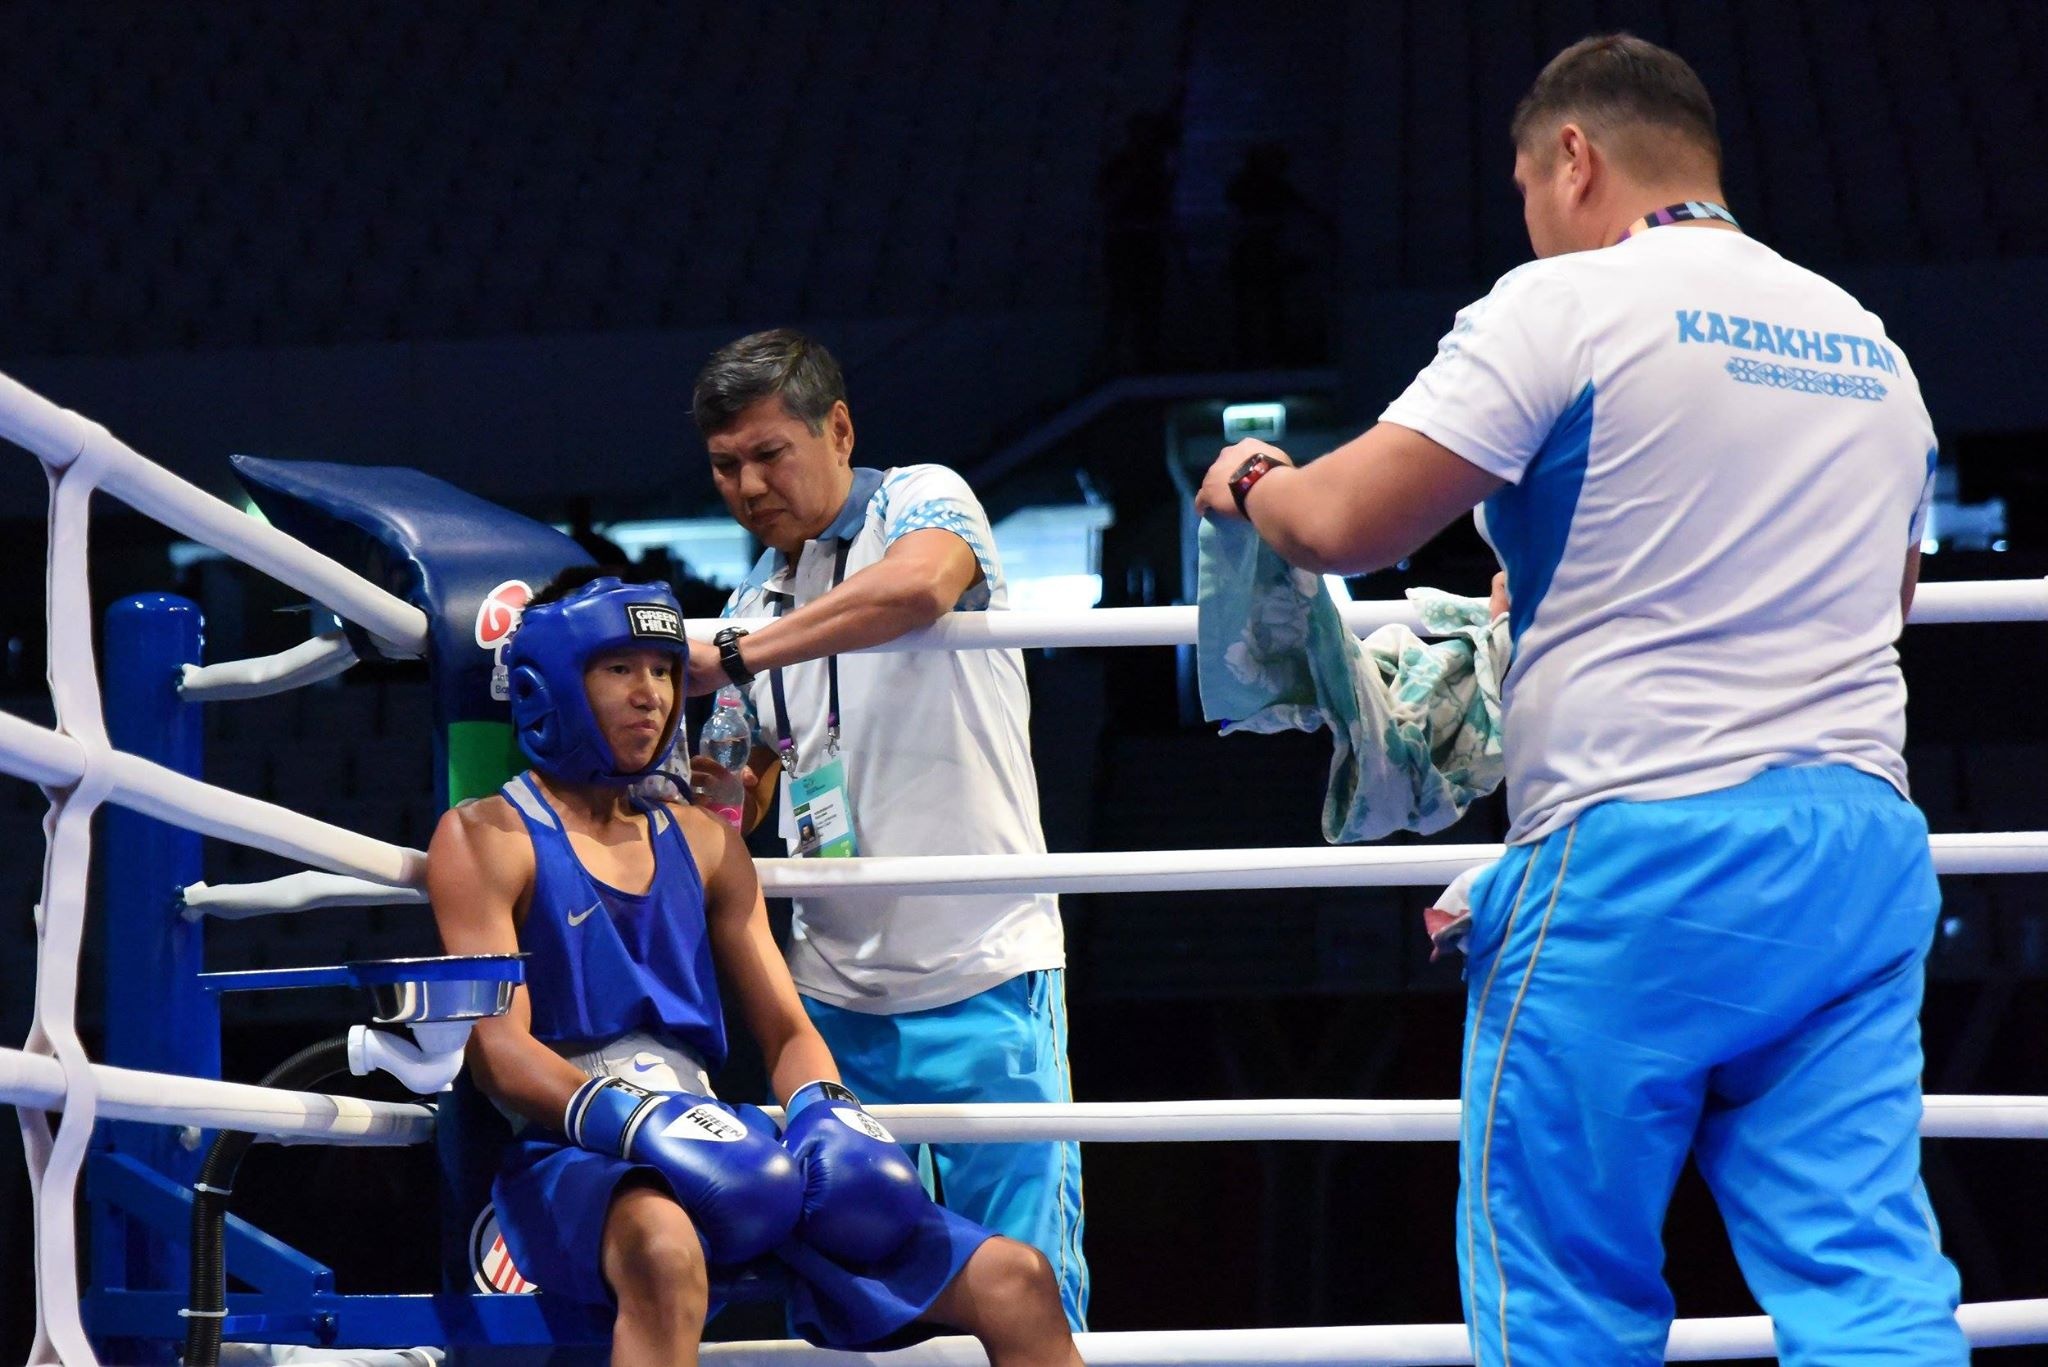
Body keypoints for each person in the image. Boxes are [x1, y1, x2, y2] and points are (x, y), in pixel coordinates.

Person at [1196, 33, 1962, 1367]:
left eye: (1528, 192)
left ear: (1574, 157)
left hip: (1642, 853)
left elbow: (1342, 527)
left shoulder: (1568, 305)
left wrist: (1249, 477)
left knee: (1561, 1292)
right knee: (1868, 1277)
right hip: (1858, 849)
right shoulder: (1869, 347)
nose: (1536, 224)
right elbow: (1876, 599)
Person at [427, 568, 1081, 1367]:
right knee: (665, 1253)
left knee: (1016, 1277)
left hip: (718, 1137)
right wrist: (635, 1120)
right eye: (619, 668)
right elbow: (497, 1050)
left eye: (665, 670)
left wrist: (824, 1106)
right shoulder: (485, 836)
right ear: (552, 681)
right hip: (570, 1152)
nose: (652, 695)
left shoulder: (706, 843)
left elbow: (785, 1029)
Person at [679, 328, 1088, 1328]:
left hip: (984, 967)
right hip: (834, 1005)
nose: (748, 484)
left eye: (769, 453)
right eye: (725, 465)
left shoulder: (921, 497)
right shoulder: (752, 600)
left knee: (1030, 1282)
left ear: (840, 430)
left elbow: (918, 587)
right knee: (857, 1297)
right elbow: (730, 794)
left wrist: (733, 653)